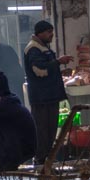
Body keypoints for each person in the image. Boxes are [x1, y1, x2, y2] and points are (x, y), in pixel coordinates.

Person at [24, 21, 72, 164]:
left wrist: (59, 72)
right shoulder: (33, 48)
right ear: (40, 33)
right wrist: (58, 62)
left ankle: (47, 158)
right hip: (42, 97)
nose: (51, 35)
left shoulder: (43, 47)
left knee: (50, 129)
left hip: (49, 96)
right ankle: (40, 159)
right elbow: (39, 70)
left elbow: (46, 70)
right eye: (49, 32)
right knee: (42, 130)